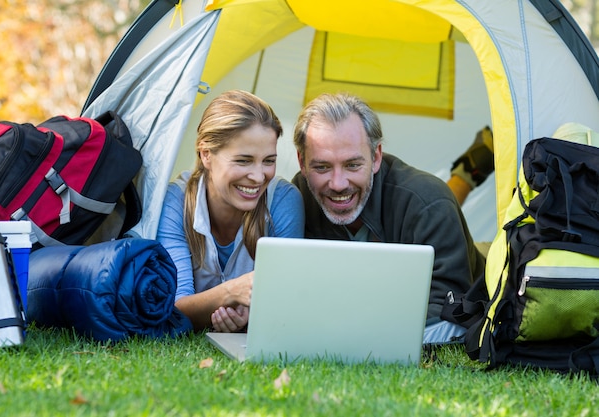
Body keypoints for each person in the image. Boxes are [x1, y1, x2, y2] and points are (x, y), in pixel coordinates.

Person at [290, 92, 485, 344]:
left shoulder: (429, 202)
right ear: (302, 163)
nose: (338, 184)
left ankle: (470, 169)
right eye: (322, 167)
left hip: (485, 260)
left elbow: (448, 307)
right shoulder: (296, 198)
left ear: (376, 157)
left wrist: (352, 331)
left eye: (352, 165)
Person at [157, 90, 305, 333]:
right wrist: (231, 293)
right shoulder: (177, 200)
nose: (259, 177)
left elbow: (286, 304)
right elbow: (173, 309)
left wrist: (250, 314)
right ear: (206, 154)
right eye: (243, 161)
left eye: (268, 160)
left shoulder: (283, 201)